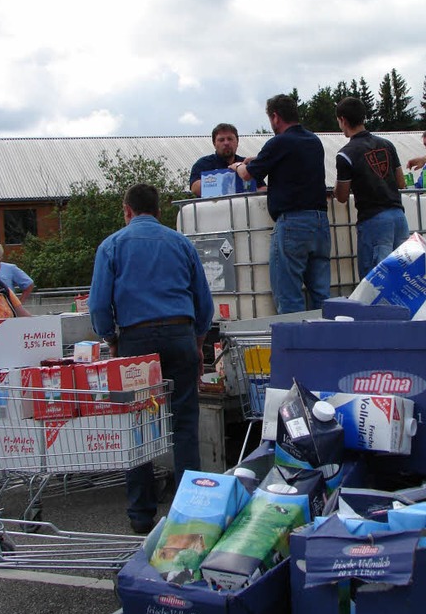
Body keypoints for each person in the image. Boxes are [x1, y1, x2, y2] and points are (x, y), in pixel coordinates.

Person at [88, 183, 214, 534]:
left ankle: (142, 517)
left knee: (138, 427)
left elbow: (99, 305)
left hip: (135, 341)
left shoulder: (112, 245)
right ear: (158, 211)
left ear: (126, 210)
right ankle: (190, 512)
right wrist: (197, 340)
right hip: (180, 334)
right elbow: (203, 301)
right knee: (184, 424)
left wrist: (112, 339)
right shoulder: (181, 242)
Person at [231, 94, 331, 313]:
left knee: (289, 297)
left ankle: (295, 345)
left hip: (293, 224)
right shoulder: (313, 141)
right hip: (320, 222)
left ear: (275, 117)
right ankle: (329, 342)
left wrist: (238, 166)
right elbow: (290, 165)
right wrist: (258, 160)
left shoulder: (279, 142)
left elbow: (248, 175)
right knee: (322, 295)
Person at [333, 97, 410, 279]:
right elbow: (401, 182)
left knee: (376, 281)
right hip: (399, 217)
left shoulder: (346, 154)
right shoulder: (387, 145)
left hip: (374, 220)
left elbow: (342, 196)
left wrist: (336, 189)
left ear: (343, 120)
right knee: (401, 276)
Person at [189, 123, 247, 196]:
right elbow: (195, 189)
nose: (226, 143)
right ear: (214, 144)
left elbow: (262, 188)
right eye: (221, 140)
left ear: (237, 142)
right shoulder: (202, 164)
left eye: (230, 139)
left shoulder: (246, 163)